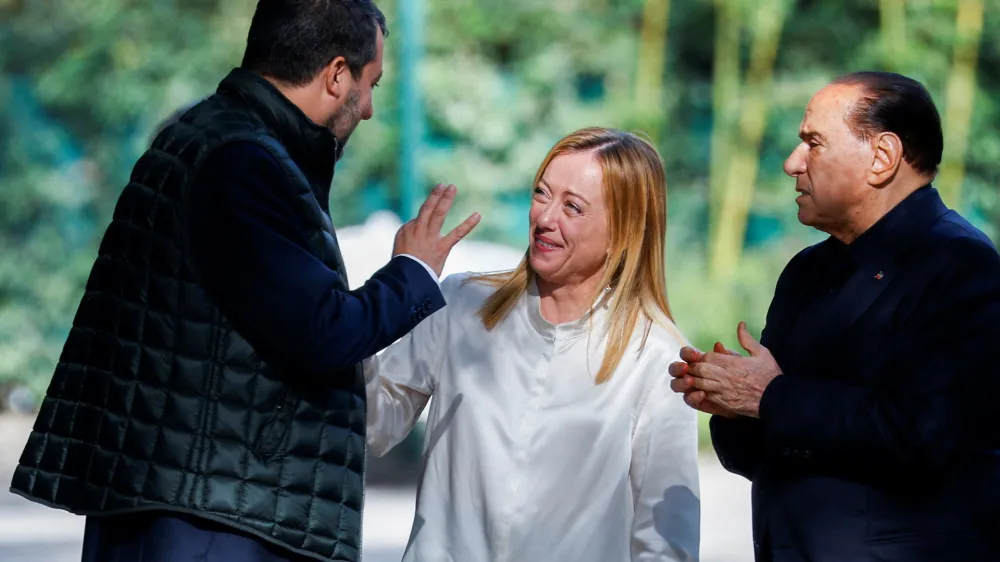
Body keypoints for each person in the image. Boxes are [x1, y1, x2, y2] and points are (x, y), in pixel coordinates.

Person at [10, 1, 480, 561]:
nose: (372, 108)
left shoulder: (211, 140)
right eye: (370, 83)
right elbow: (322, 332)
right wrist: (412, 270)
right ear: (336, 75)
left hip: (189, 506)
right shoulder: (242, 162)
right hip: (213, 520)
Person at [670, 71, 1000, 561]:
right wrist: (730, 402)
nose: (791, 163)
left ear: (882, 157)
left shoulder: (961, 265)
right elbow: (772, 450)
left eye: (813, 143)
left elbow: (922, 435)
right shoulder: (807, 271)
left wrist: (768, 396)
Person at [365, 127, 700, 562]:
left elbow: (666, 539)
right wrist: (380, 298)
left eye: (573, 207)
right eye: (542, 193)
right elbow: (375, 423)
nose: (545, 218)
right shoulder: (461, 303)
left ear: (624, 232)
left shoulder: (656, 357)